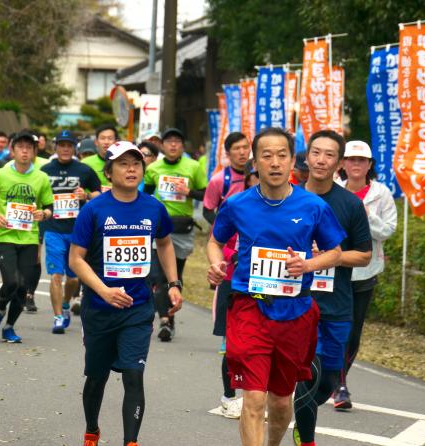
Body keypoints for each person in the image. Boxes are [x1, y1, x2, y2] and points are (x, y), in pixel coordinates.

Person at [206, 127, 345, 446]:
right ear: (255, 161)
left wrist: (308, 264)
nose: (275, 162)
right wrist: (216, 263)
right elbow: (216, 241)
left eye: (282, 155)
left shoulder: (313, 206)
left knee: (281, 402)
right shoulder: (237, 205)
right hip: (249, 307)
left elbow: (335, 252)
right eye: (266, 155)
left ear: (293, 161)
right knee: (253, 399)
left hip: (295, 312)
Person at [69, 141, 183, 446]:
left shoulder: (153, 207)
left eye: (136, 163)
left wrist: (173, 284)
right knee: (97, 378)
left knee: (134, 376)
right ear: (108, 172)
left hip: (138, 307)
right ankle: (92, 428)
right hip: (99, 309)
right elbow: (76, 259)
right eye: (123, 164)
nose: (131, 169)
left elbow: (165, 243)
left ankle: (130, 442)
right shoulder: (93, 210)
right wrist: (104, 291)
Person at [292, 130, 373, 446]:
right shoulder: (289, 198)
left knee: (327, 377)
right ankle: (306, 438)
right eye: (316, 152)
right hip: (296, 302)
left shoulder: (350, 204)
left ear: (338, 162)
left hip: (336, 305)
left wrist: (328, 258)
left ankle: (303, 414)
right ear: (307, 157)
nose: (321, 160)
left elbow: (364, 255)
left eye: (329, 154)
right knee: (306, 374)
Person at [333, 139, 397, 410]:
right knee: (335, 327)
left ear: (369, 165)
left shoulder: (381, 194)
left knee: (353, 332)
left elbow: (388, 231)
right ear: (343, 164)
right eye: (351, 159)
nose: (356, 165)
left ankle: (337, 381)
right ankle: (339, 385)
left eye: (362, 160)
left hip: (365, 271)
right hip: (332, 270)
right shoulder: (332, 189)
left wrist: (367, 215)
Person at [0, 131, 54, 343]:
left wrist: (44, 214)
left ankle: (9, 327)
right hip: (4, 236)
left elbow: (49, 206)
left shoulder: (41, 177)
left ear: (34, 152)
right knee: (12, 281)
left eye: (29, 148)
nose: (25, 151)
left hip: (29, 238)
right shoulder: (0, 174)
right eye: (20, 147)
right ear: (12, 150)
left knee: (24, 287)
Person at [203, 133, 252, 419]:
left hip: (267, 285)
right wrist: (220, 261)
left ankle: (257, 393)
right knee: (231, 343)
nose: (242, 152)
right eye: (238, 149)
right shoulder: (231, 199)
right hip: (233, 276)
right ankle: (229, 394)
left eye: (247, 147)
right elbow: (215, 236)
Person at [144, 127, 208, 341]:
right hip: (159, 226)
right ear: (162, 146)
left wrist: (189, 192)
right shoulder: (153, 167)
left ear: (182, 146)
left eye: (177, 141)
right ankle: (165, 320)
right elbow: (146, 193)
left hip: (182, 228)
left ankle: (168, 317)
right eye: (169, 141)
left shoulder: (193, 166)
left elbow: (205, 194)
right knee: (159, 277)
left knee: (175, 276)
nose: (173, 145)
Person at [40, 129, 101, 333]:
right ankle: (58, 317)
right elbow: (37, 197)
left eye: (69, 145)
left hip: (78, 231)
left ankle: (66, 304)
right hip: (53, 229)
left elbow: (98, 193)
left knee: (74, 279)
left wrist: (86, 196)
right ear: (55, 147)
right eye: (61, 145)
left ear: (74, 148)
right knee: (56, 275)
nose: (65, 149)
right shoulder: (45, 170)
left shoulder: (84, 170)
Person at [202, 131, 251, 225]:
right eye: (236, 148)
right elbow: (207, 211)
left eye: (245, 147)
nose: (242, 152)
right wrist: (223, 228)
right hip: (228, 238)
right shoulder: (218, 180)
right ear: (228, 154)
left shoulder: (259, 177)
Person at [82, 124, 117, 191]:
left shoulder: (122, 163)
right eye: (102, 138)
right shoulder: (85, 163)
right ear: (96, 142)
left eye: (110, 138)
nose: (106, 142)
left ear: (116, 142)